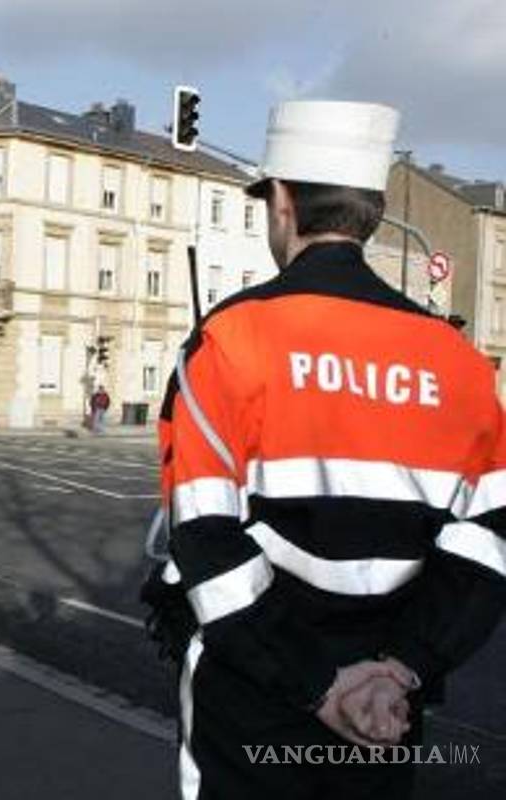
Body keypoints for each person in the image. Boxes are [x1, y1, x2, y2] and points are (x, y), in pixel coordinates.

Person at [150, 100, 506, 799]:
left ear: (282, 203)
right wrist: (399, 669)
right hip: (385, 708)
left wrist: (316, 683)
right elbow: (488, 546)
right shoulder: (460, 363)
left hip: (252, 701)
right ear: (373, 212)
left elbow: (203, 538)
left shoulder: (231, 340)